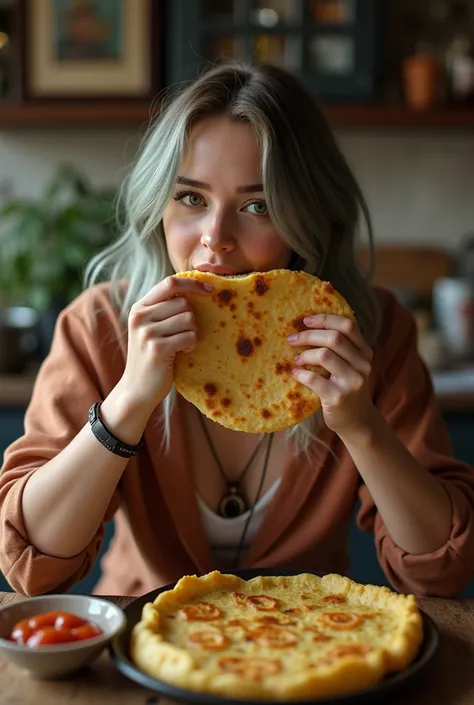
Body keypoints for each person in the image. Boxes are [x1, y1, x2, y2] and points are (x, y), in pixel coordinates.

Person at [1, 61, 473, 599]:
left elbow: (439, 569)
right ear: (159, 205)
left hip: (311, 647)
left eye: (257, 205)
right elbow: (32, 566)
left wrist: (361, 424)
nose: (215, 238)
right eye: (191, 198)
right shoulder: (101, 326)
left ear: (308, 215)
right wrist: (130, 400)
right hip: (139, 647)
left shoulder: (370, 332)